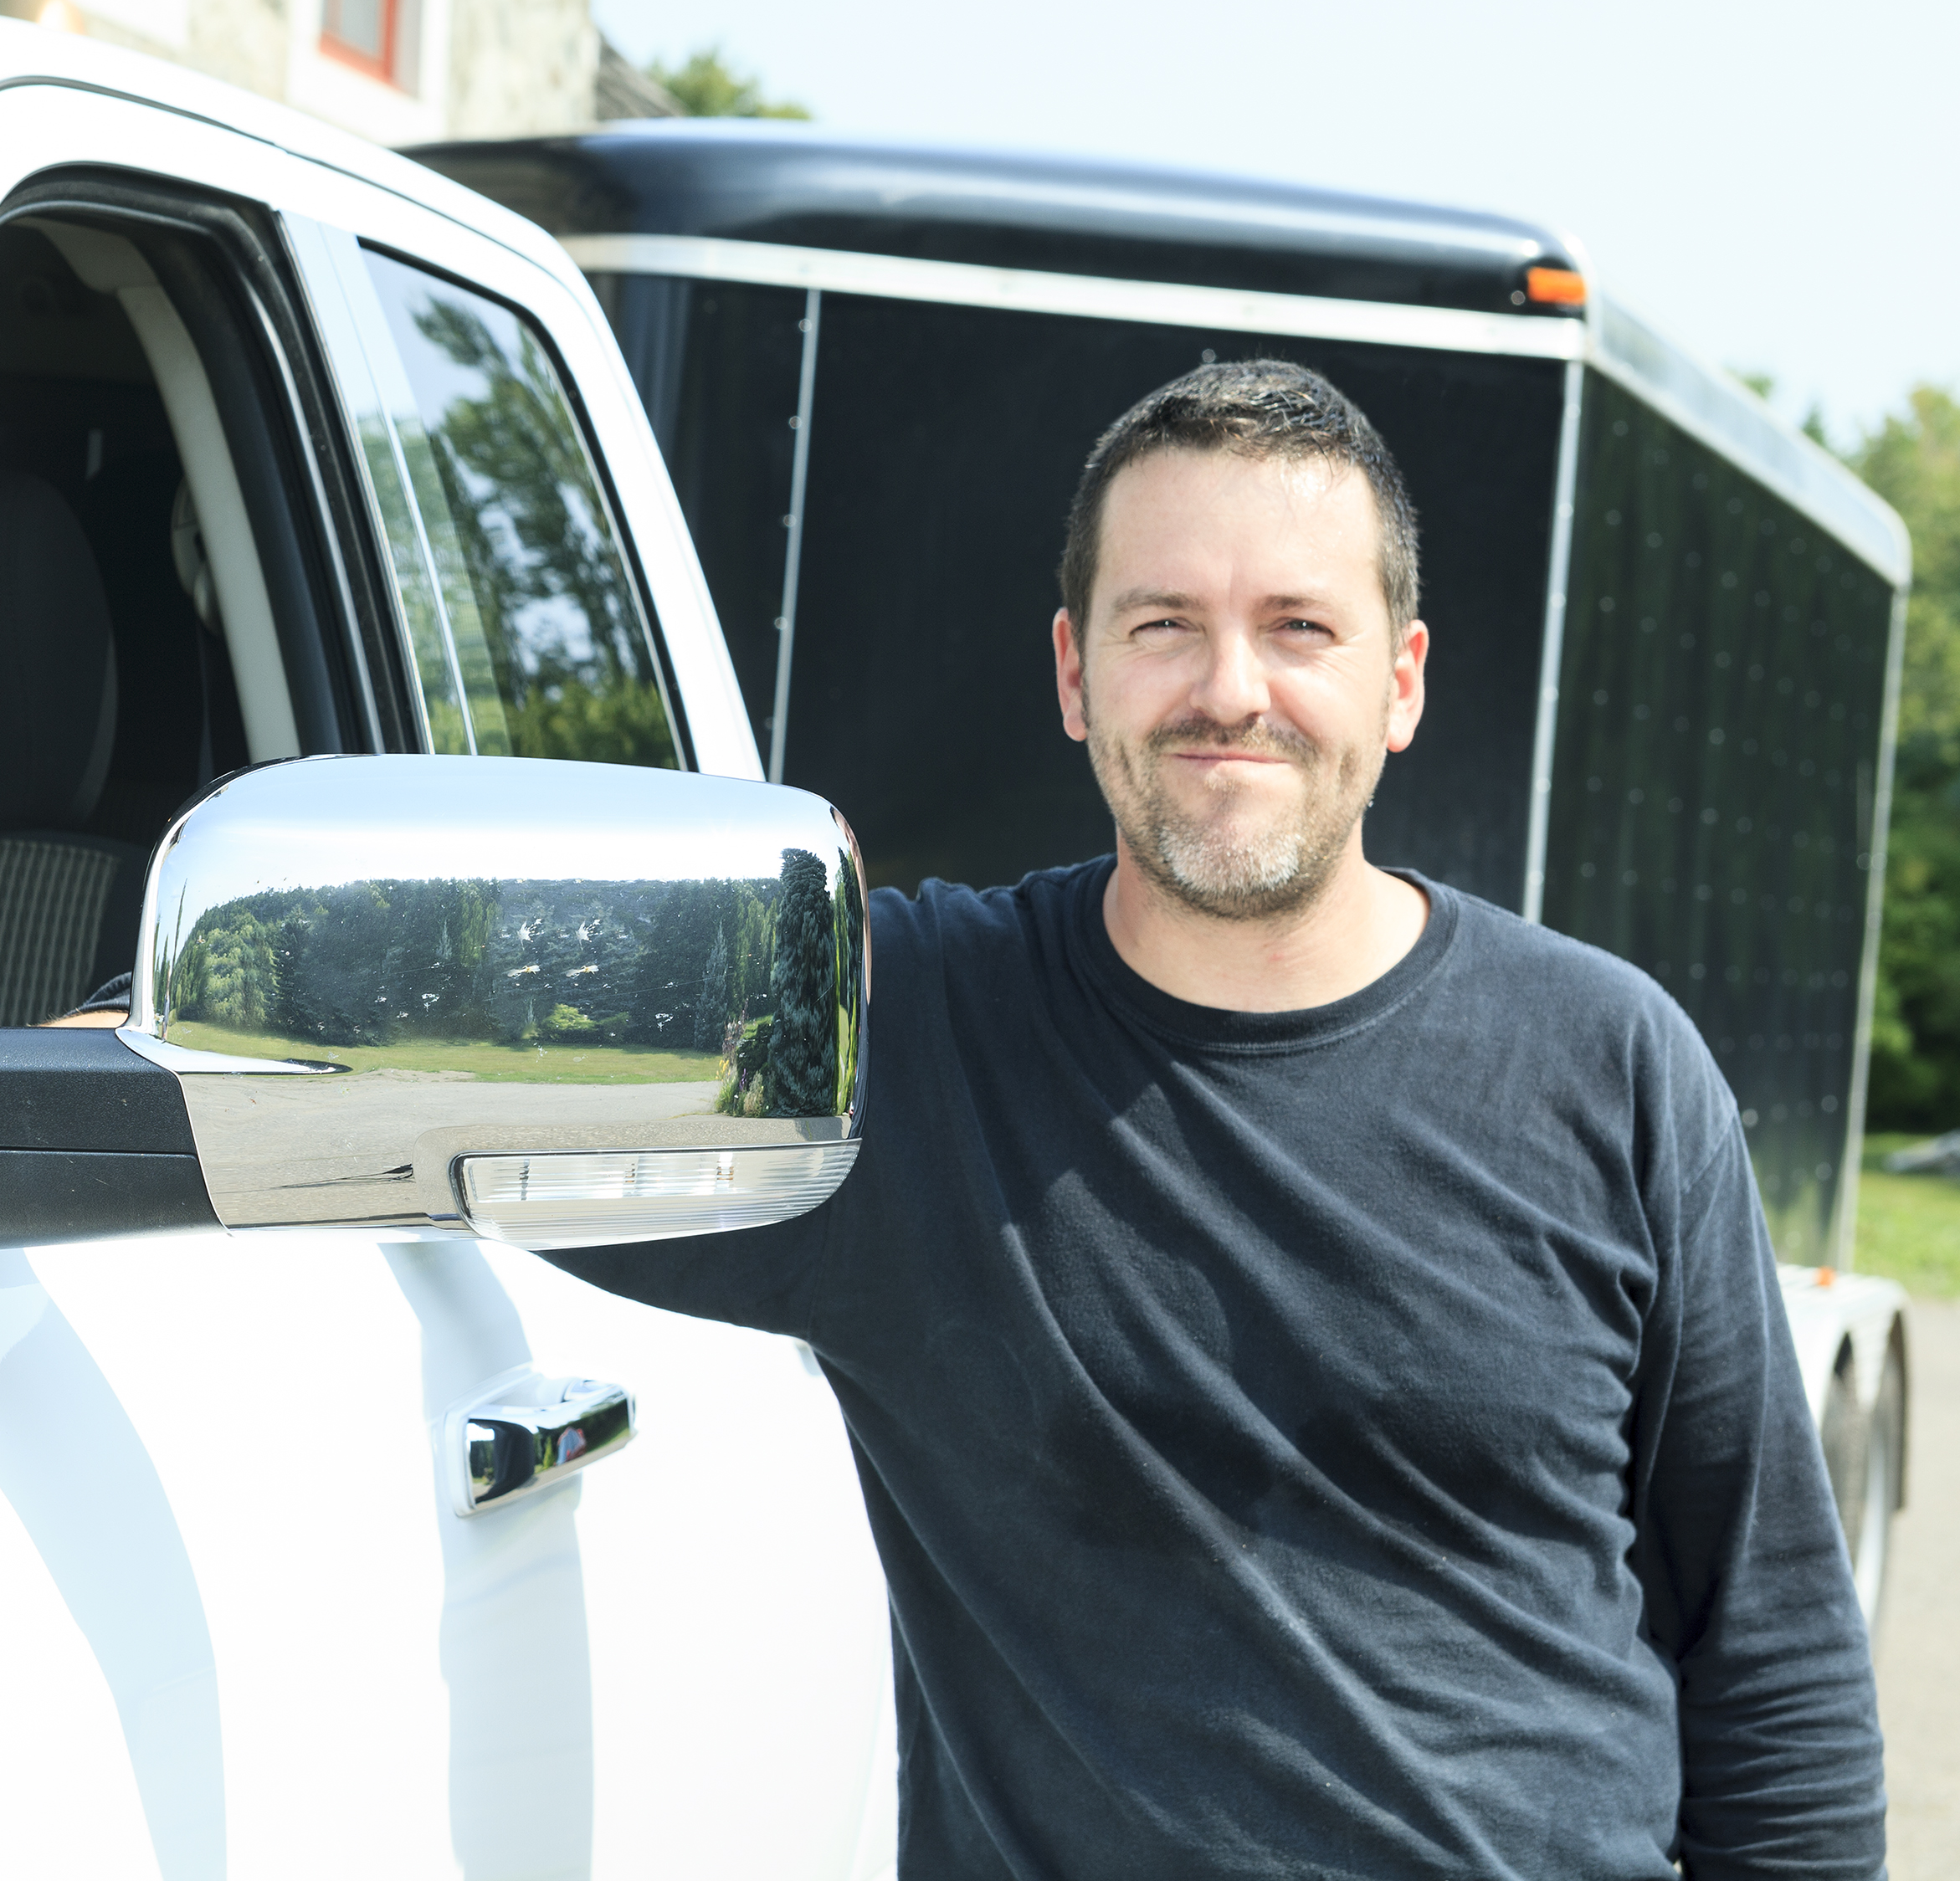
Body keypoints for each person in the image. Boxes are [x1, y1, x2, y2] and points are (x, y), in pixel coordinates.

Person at [544, 361, 1885, 1878]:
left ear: (1403, 679)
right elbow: (444, 1082)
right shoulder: (884, 1037)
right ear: (1073, 671)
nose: (1230, 688)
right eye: (1162, 623)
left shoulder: (1614, 1064)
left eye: (1300, 627)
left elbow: (1770, 1660)